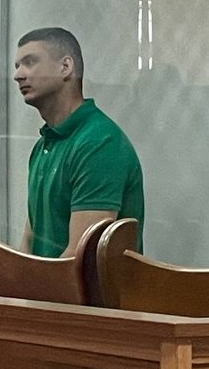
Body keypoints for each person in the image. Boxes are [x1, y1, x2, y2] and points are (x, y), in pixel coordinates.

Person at [13, 27, 144, 258]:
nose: (18, 75)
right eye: (17, 66)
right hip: (45, 283)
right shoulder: (43, 146)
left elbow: (79, 259)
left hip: (80, 284)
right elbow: (30, 243)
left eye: (30, 62)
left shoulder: (99, 143)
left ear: (65, 67)